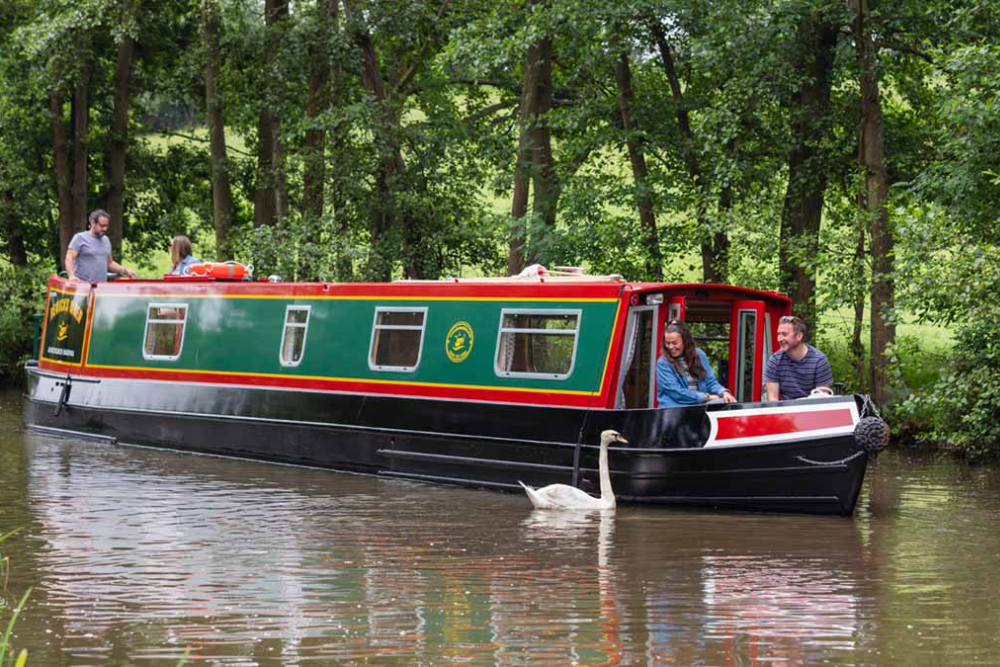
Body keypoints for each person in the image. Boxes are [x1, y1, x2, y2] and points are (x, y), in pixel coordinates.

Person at [656, 320, 737, 408]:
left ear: (685, 341)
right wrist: (706, 397)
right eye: (668, 343)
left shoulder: (700, 355)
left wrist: (723, 392)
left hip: (698, 407)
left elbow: (710, 382)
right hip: (674, 411)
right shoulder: (663, 363)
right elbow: (676, 392)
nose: (671, 347)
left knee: (724, 403)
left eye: (675, 343)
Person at [765, 315, 833, 401]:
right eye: (778, 334)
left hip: (811, 409)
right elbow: (772, 399)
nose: (779, 339)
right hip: (786, 411)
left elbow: (822, 399)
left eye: (784, 334)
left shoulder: (819, 360)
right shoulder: (775, 361)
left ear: (799, 336)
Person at [65, 209, 136, 283]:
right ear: (93, 223)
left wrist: (124, 270)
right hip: (82, 287)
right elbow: (69, 258)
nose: (104, 229)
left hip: (100, 288)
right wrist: (71, 276)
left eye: (106, 226)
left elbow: (110, 263)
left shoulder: (106, 240)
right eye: (102, 226)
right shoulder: (80, 238)